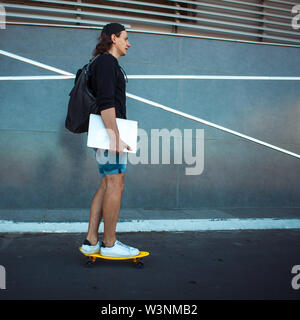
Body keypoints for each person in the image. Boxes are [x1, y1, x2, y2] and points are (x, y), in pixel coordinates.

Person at [80, 23, 139, 257]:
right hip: (108, 133)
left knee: (107, 183)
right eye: (125, 38)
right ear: (113, 38)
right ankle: (110, 244)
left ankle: (91, 241)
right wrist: (115, 137)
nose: (129, 43)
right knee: (116, 183)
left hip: (107, 132)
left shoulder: (105, 63)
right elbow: (106, 102)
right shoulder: (106, 62)